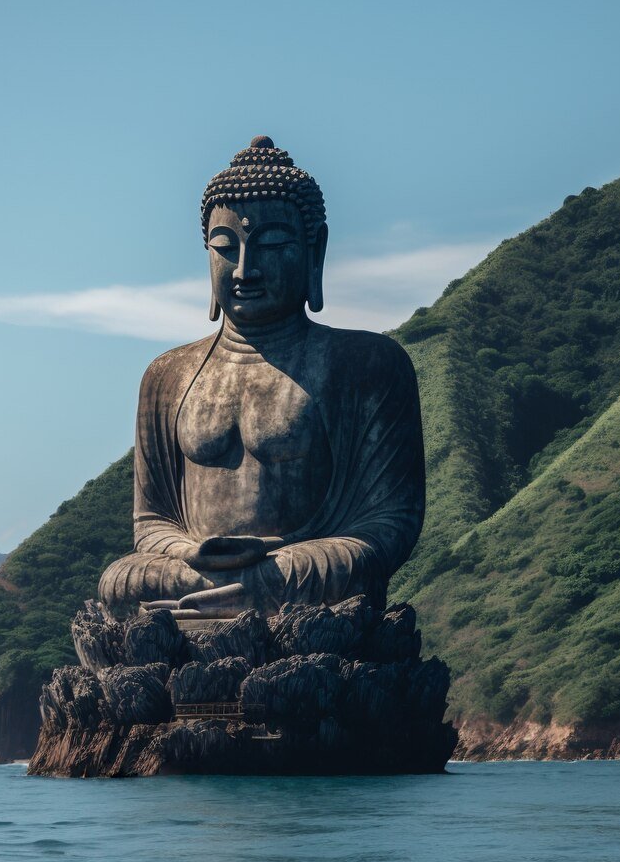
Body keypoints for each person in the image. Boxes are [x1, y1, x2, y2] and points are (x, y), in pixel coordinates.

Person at [99, 136, 425, 621]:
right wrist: (190, 553)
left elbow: (390, 523)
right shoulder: (167, 377)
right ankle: (221, 594)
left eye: (272, 245)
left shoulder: (367, 365)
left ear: (314, 251)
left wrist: (274, 571)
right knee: (120, 580)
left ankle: (238, 596)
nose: (245, 269)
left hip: (299, 569)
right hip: (191, 570)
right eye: (225, 247)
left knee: (347, 569)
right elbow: (150, 523)